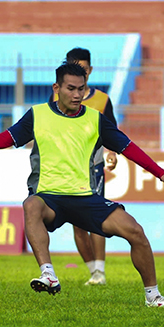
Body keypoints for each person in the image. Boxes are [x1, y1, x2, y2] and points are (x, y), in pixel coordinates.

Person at [0, 62, 164, 308]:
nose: (77, 94)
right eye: (71, 88)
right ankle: (48, 274)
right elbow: (5, 138)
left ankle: (153, 296)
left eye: (81, 89)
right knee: (30, 204)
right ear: (56, 88)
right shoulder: (37, 115)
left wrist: (161, 173)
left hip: (85, 197)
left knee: (136, 232)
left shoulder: (95, 119)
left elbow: (127, 147)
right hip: (49, 197)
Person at [62, 47, 117, 286]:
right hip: (66, 167)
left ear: (90, 70)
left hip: (93, 166)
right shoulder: (56, 98)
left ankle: (100, 271)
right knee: (76, 220)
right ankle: (93, 271)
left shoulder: (102, 100)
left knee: (96, 216)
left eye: (83, 68)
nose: (79, 71)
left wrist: (112, 151)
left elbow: (111, 132)